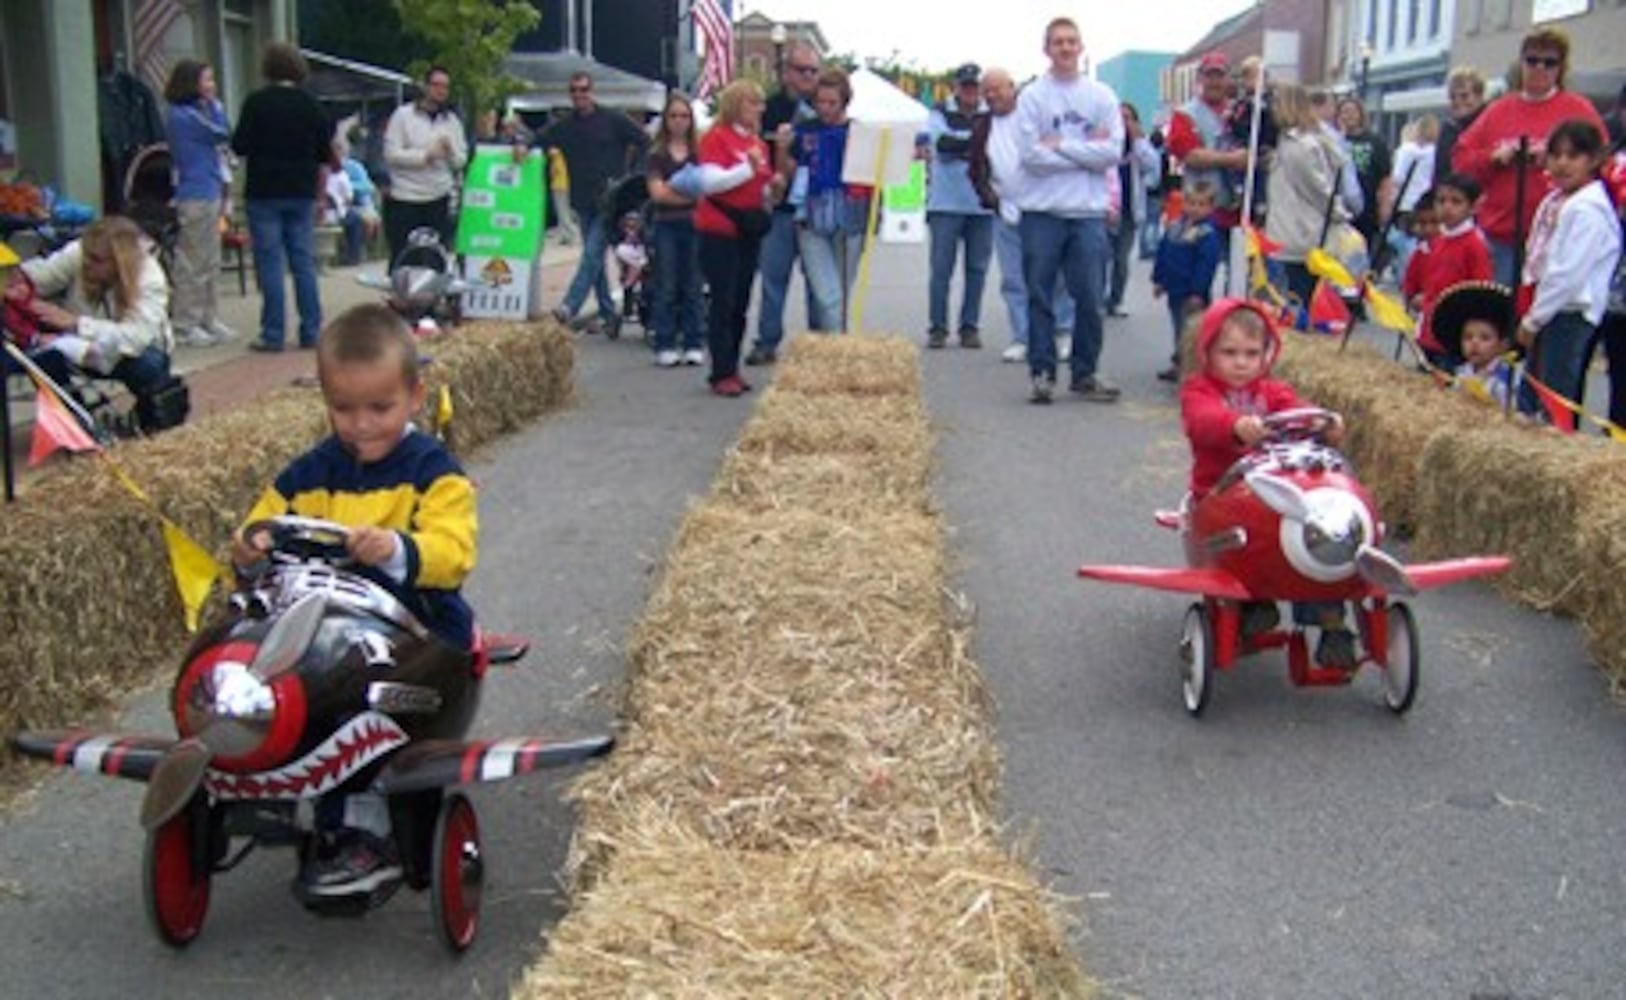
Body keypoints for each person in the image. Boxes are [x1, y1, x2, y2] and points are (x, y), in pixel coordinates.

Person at [230, 303, 477, 897]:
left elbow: (453, 552)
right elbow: (263, 523)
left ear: (415, 396)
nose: (361, 425)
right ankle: (248, 765)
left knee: (355, 697)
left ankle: (363, 826)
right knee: (249, 650)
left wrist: (395, 547)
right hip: (326, 625)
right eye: (343, 409)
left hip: (417, 629)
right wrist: (249, 544)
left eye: (379, 408)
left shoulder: (435, 472)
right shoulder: (310, 473)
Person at [1180, 299, 1354, 668]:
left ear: (1266, 355)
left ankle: (1331, 619)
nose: (1241, 362)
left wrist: (1323, 424)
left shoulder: (1272, 393)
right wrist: (1234, 426)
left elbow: (1297, 407)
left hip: (1275, 493)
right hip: (1220, 493)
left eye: (1251, 353)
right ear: (1207, 352)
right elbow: (1202, 420)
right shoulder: (1200, 391)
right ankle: (1255, 601)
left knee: (1314, 527)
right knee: (1251, 538)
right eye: (1229, 352)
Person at [1016, 17, 1124, 404]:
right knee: (1040, 295)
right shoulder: (1032, 97)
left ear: (1081, 47)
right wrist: (1085, 152)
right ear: (1046, 49)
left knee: (1090, 296)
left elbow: (1112, 152)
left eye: (1071, 42)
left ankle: (1085, 371)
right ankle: (1042, 371)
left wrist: (1059, 144)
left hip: (1087, 212)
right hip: (1042, 211)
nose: (1065, 48)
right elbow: (1030, 157)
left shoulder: (1101, 96)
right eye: (1058, 42)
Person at [1452, 26, 1607, 287]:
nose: (1539, 68)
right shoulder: (1498, 110)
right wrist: (1493, 157)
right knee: (1499, 314)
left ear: (1561, 68)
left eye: (1549, 63)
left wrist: (1554, 158)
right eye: (1532, 60)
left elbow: (1602, 163)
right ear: (1521, 63)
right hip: (1502, 237)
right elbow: (1461, 161)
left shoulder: (1579, 109)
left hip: (1557, 236)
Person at [1517, 119, 1622, 426]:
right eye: (1556, 155)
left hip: (1569, 310)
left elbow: (1567, 273)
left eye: (1573, 156)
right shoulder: (1557, 200)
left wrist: (1534, 319)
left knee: (1556, 394)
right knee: (1534, 389)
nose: (1562, 163)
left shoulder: (1588, 210)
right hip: (1547, 305)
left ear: (1593, 160)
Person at [970, 67, 1077, 365]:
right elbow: (976, 166)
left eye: (998, 89)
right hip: (1005, 210)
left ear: (1012, 87)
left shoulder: (1032, 116)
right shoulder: (983, 125)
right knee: (1014, 279)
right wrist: (988, 195)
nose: (992, 95)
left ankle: (1063, 332)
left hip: (1042, 208)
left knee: (1054, 275)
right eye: (987, 91)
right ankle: (1023, 337)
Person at [230, 42, 332, 352]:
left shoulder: (256, 103)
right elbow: (323, 154)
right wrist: (321, 195)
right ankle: (311, 329)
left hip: (264, 190)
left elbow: (240, 145)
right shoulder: (311, 106)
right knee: (303, 261)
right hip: (300, 190)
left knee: (270, 262)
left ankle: (273, 332)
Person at [534, 72, 650, 337]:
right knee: (594, 257)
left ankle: (569, 306)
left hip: (611, 201)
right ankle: (609, 313)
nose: (579, 95)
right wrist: (518, 145)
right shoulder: (564, 126)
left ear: (592, 91)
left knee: (592, 254)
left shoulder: (613, 119)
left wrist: (634, 174)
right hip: (582, 200)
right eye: (574, 90)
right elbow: (538, 139)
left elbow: (643, 140)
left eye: (583, 89)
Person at [9, 215, 172, 402]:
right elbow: (42, 275)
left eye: (96, 260)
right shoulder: (81, 252)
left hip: (128, 351)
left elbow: (135, 339)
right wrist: (17, 281)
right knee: (36, 348)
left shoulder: (149, 279)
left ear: (119, 262)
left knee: (149, 363)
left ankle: (151, 413)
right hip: (77, 343)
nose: (86, 263)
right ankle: (72, 411)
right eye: (86, 255)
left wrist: (77, 324)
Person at [694, 79, 778, 397]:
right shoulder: (716, 139)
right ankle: (721, 370)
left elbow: (764, 181)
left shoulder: (756, 142)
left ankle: (733, 366)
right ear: (735, 107)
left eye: (759, 103)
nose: (758, 109)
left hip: (748, 226)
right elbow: (710, 183)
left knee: (740, 300)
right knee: (723, 299)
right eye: (751, 103)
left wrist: (771, 186)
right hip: (719, 227)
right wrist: (747, 169)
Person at [746, 41, 822, 366]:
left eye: (813, 71)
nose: (808, 76)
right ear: (786, 72)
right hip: (778, 208)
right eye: (801, 70)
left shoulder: (825, 107)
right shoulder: (769, 108)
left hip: (816, 209)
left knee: (818, 281)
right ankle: (767, 341)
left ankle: (819, 346)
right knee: (773, 279)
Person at [781, 67, 871, 333]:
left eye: (832, 103)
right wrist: (783, 149)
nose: (825, 108)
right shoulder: (803, 131)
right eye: (820, 102)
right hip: (812, 216)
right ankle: (840, 351)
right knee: (827, 294)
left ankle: (837, 349)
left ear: (844, 102)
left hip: (850, 216)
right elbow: (787, 171)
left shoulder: (858, 131)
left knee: (841, 292)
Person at [162, 58, 235, 348]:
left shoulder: (198, 112)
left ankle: (208, 317)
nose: (212, 86)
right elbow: (220, 132)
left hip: (211, 188)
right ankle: (185, 322)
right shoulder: (181, 116)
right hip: (194, 193)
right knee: (192, 260)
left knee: (211, 258)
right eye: (207, 80)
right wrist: (216, 107)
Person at [922, 62, 993, 349]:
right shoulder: (939, 111)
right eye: (965, 86)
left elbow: (993, 146)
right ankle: (938, 328)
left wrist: (965, 146)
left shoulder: (991, 113)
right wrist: (976, 146)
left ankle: (969, 326)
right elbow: (942, 145)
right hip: (945, 204)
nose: (970, 92)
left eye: (975, 87)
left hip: (981, 203)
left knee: (977, 269)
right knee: (941, 270)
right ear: (956, 87)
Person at [1265, 83, 1353, 306]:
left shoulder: (1299, 146)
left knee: (1298, 301)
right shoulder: (1298, 141)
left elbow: (1317, 189)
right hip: (1298, 231)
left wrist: (1340, 215)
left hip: (1298, 232)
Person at [1404, 174, 1493, 368]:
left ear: (1472, 207)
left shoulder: (1474, 245)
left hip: (1454, 334)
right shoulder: (1437, 242)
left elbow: (1481, 289)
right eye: (1441, 201)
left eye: (1456, 202)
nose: (1447, 207)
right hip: (1430, 328)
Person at [381, 66, 467, 264]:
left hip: (438, 195)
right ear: (425, 87)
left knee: (435, 255)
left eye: (445, 87)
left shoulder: (451, 121)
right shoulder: (403, 116)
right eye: (436, 85)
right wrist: (425, 157)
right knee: (403, 254)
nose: (441, 91)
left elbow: (461, 160)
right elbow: (391, 155)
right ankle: (402, 291)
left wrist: (450, 152)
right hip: (405, 195)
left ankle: (431, 292)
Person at [646, 91, 707, 368]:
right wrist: (686, 196)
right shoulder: (657, 156)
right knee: (666, 285)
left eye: (684, 116)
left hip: (695, 224)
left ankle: (694, 342)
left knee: (694, 285)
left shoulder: (699, 154)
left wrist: (679, 192)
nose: (679, 121)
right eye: (673, 116)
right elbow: (657, 194)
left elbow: (707, 191)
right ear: (665, 120)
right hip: (666, 225)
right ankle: (665, 342)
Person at [1165, 51, 1245, 235]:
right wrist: (1233, 159)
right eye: (1210, 76)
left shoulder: (1241, 111)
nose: (1215, 82)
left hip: (1239, 211)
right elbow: (1190, 155)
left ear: (1228, 79)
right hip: (1200, 211)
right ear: (1200, 79)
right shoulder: (1184, 114)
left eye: (1220, 75)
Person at [1151, 181, 1223, 382]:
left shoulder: (1208, 234)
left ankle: (1194, 368)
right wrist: (1159, 280)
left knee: (1192, 332)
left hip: (1192, 292)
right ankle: (1180, 361)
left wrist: (1198, 292)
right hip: (1174, 288)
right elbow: (1164, 253)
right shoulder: (1175, 227)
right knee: (1179, 328)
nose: (1195, 209)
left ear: (1210, 207)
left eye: (1201, 204)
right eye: (1191, 203)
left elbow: (1206, 266)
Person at [1104, 102, 1161, 319]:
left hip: (1129, 210)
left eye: (1128, 118)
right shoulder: (1105, 143)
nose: (1123, 123)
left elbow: (1152, 171)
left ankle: (1115, 300)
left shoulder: (1140, 146)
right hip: (1105, 210)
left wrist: (1138, 141)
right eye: (1119, 118)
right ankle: (1097, 298)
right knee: (1100, 258)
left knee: (1121, 260)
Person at [1433, 281, 1522, 408]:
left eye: (1485, 338)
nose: (1475, 343)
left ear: (1503, 345)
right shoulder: (1460, 371)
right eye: (1468, 337)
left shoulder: (1507, 377)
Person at [1336, 97, 1393, 267]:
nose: (1348, 116)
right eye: (1344, 112)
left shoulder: (1375, 142)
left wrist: (1385, 206)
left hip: (1367, 209)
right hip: (1341, 209)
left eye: (1352, 111)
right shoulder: (1334, 141)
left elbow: (1385, 176)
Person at [1388, 114, 1439, 278]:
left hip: (1406, 203)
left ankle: (1406, 276)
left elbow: (1397, 177)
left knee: (1405, 244)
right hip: (1426, 202)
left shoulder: (1406, 150)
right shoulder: (1435, 152)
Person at [1434, 66, 1488, 188]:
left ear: (1479, 96)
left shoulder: (1490, 125)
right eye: (1452, 97)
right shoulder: (1448, 130)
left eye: (1464, 96)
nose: (1458, 101)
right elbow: (1439, 174)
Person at [547, 147, 579, 246]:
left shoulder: (557, 152)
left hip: (561, 184)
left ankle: (573, 234)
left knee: (563, 212)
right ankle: (565, 236)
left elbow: (550, 152)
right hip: (559, 184)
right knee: (561, 213)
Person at [612, 210, 647, 296]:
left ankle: (629, 283)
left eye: (633, 227)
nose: (630, 230)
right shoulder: (622, 241)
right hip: (632, 255)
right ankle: (629, 283)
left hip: (643, 252)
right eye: (627, 227)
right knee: (621, 252)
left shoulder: (644, 234)